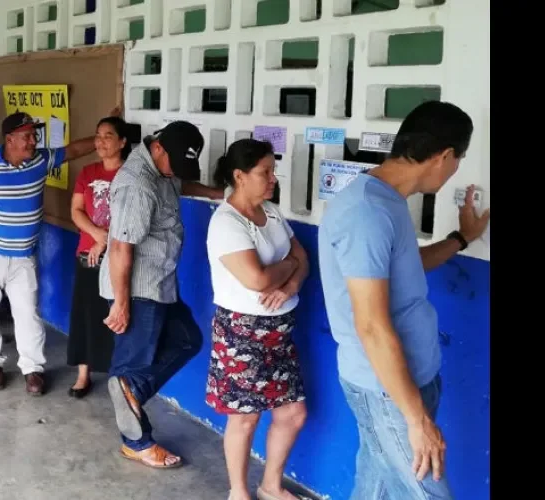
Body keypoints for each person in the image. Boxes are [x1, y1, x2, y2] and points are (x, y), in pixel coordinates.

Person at [317, 101, 491, 500]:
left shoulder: (387, 200)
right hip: (387, 388)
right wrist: (416, 419)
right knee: (427, 493)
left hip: (406, 379)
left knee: (376, 483)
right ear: (445, 155)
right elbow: (371, 326)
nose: (455, 171)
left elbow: (406, 267)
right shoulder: (368, 212)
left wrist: (460, 239)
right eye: (458, 160)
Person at [0, 110, 116, 395]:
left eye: (34, 135)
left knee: (28, 313)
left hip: (23, 256)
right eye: (27, 136)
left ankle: (33, 369)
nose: (32, 141)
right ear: (10, 139)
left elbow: (73, 149)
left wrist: (101, 140)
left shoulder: (40, 160)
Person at [99, 120, 223, 469]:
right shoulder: (138, 184)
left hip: (160, 283)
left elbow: (180, 182)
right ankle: (135, 442)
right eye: (174, 164)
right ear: (158, 149)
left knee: (187, 340)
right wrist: (121, 303)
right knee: (132, 363)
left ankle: (130, 391)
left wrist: (217, 193)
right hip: (137, 289)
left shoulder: (163, 170)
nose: (175, 173)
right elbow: (121, 247)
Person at [206, 139, 309, 500]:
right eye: (265, 172)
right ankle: (239, 492)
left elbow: (302, 256)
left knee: (292, 414)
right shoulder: (226, 222)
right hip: (243, 335)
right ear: (239, 176)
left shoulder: (272, 213)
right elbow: (257, 279)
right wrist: (287, 269)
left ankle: (270, 486)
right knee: (245, 418)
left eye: (272, 171)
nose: (272, 179)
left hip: (280, 335)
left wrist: (291, 278)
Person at [65, 116, 131, 398]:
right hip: (87, 252)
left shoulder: (130, 176)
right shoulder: (88, 172)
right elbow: (76, 211)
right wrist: (98, 236)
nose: (100, 142)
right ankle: (83, 374)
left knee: (119, 313)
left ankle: (122, 377)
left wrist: (107, 241)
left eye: (108, 136)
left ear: (122, 142)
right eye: (98, 136)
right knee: (86, 314)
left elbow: (133, 218)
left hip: (119, 254)